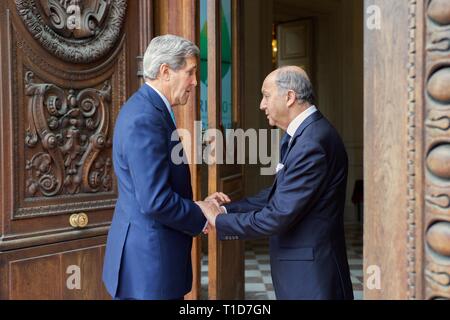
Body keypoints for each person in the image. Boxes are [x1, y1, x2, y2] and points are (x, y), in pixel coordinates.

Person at [203, 66, 354, 300]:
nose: (261, 105)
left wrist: (220, 221)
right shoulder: (304, 135)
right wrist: (225, 209)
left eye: (266, 95)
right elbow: (277, 195)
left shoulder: (312, 142)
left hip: (312, 280)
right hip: (303, 275)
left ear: (290, 97)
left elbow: (278, 214)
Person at [102, 34, 223, 300]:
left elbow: (156, 188)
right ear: (165, 72)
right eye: (190, 73)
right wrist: (199, 213)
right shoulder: (145, 118)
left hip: (148, 262)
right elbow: (155, 200)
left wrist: (198, 205)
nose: (194, 82)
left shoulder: (148, 109)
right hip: (149, 267)